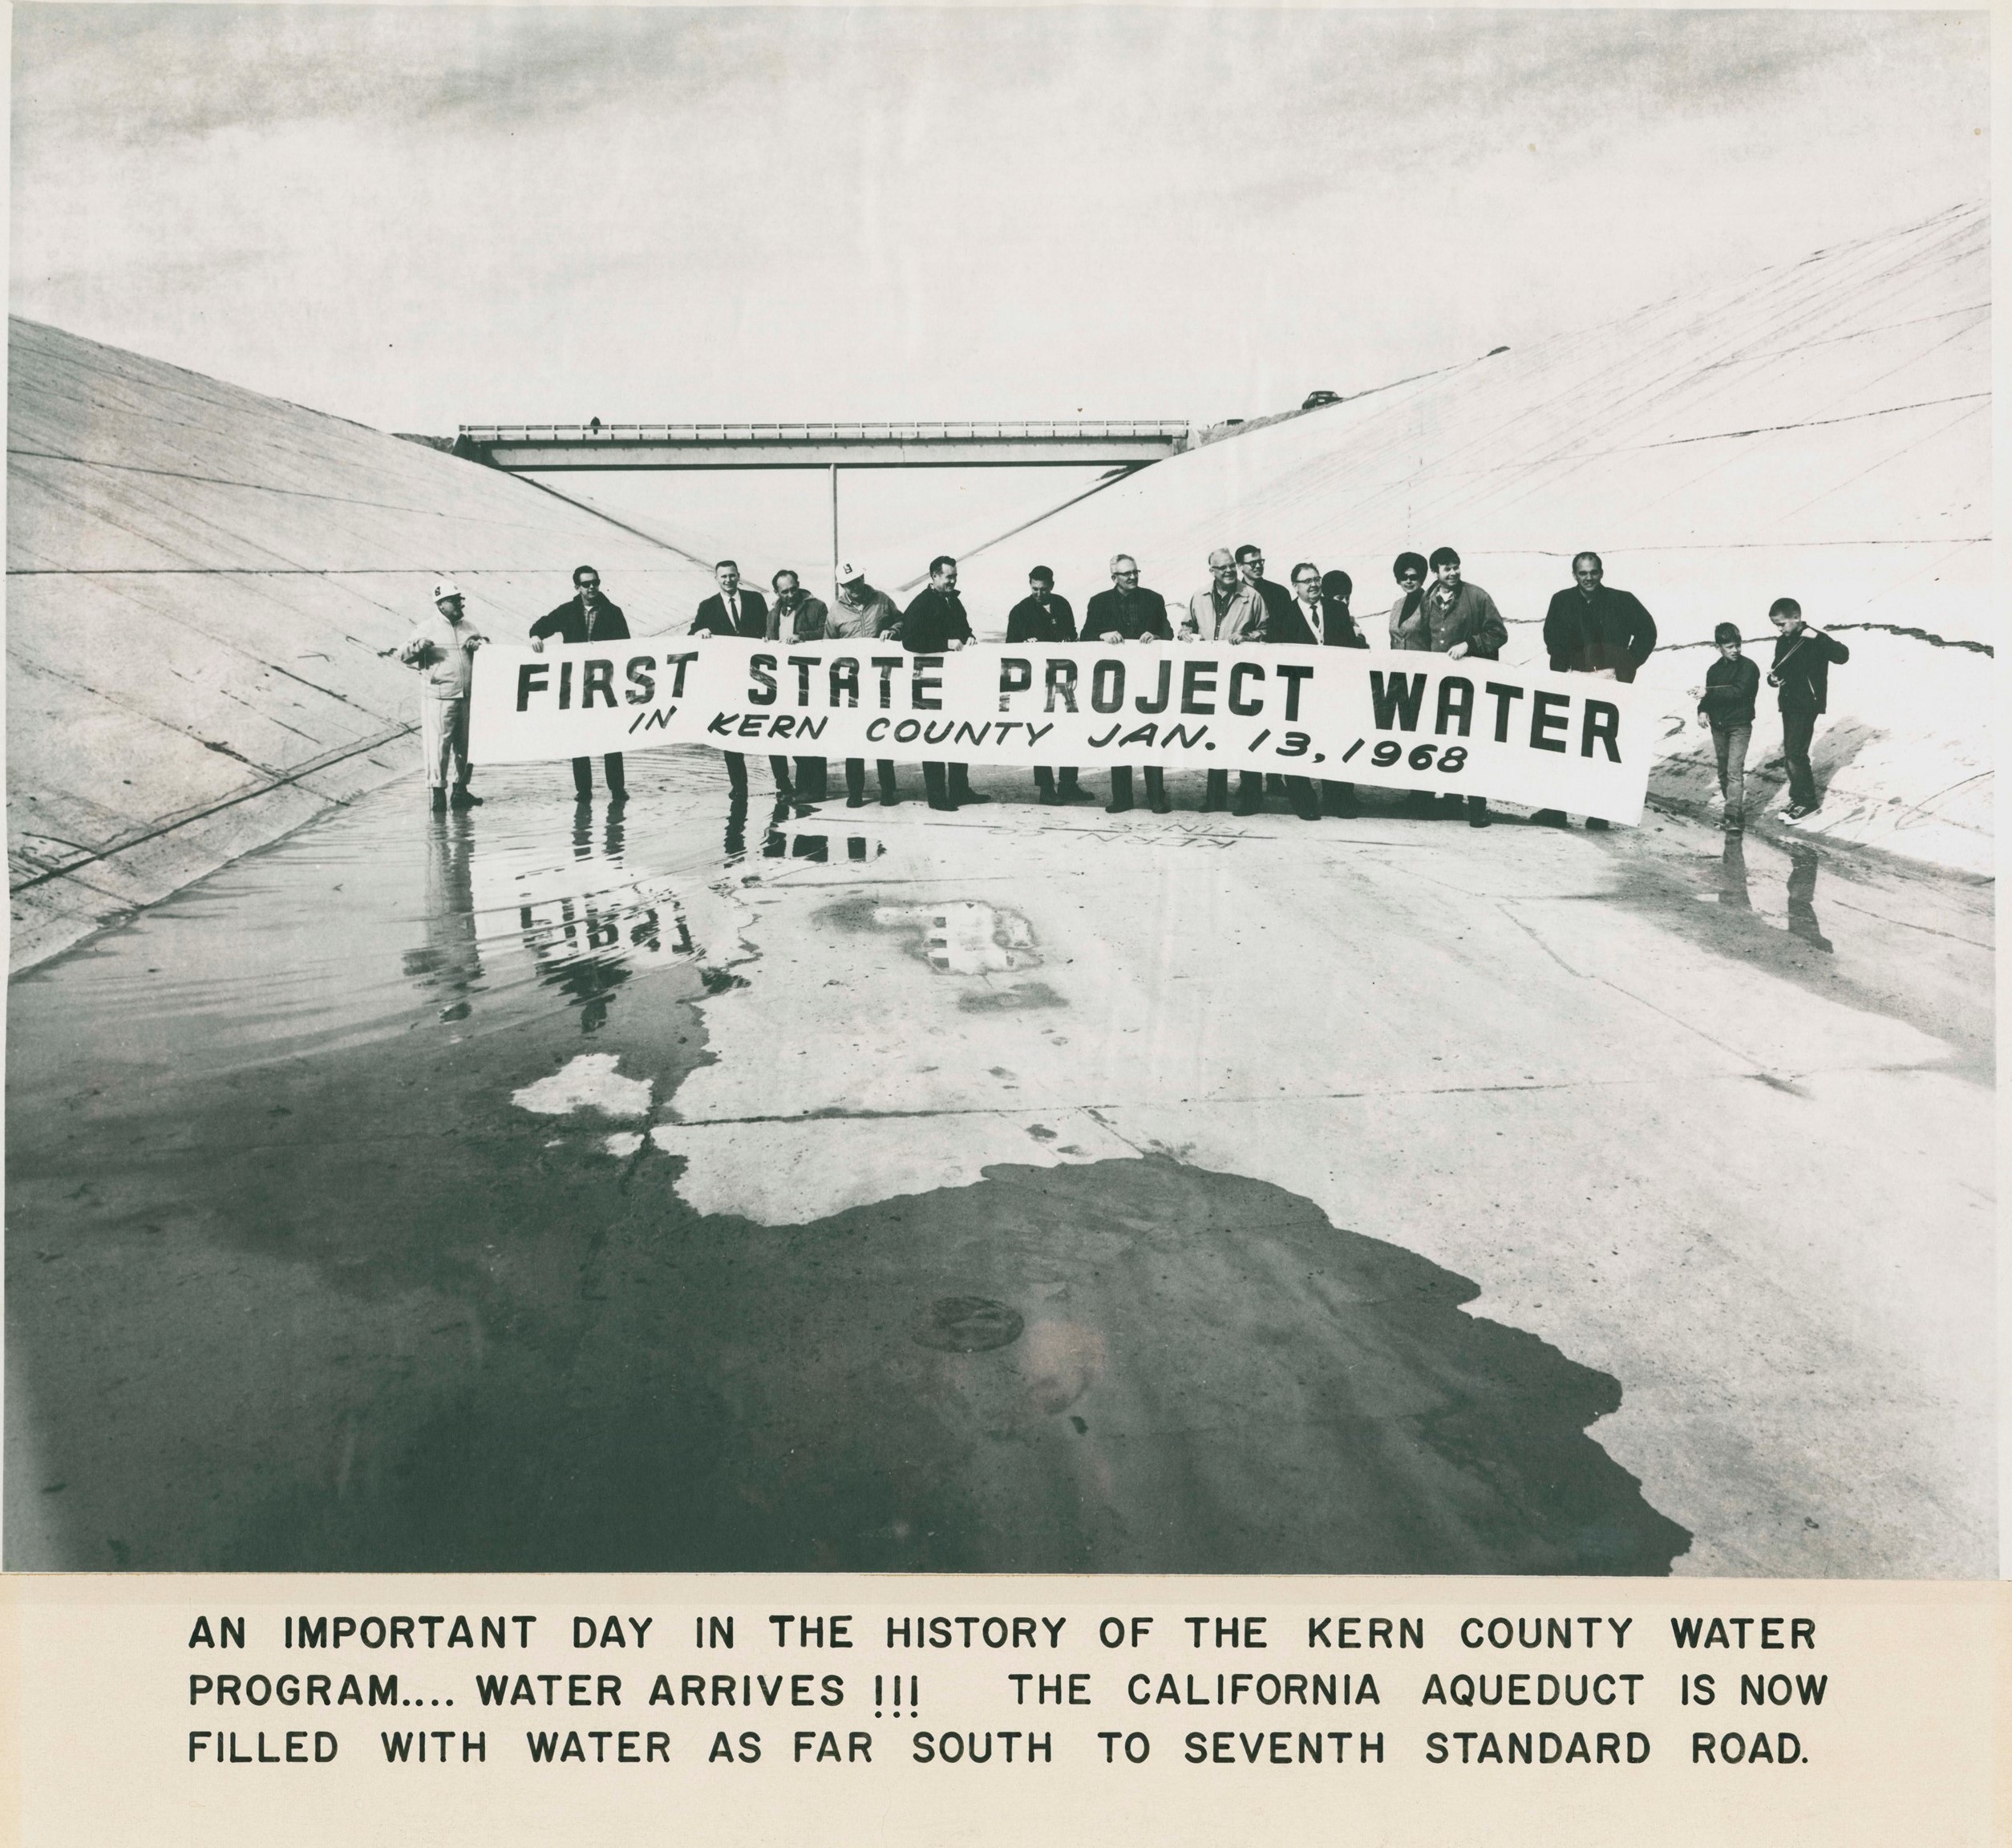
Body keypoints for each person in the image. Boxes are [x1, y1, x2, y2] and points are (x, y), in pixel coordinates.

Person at [1532, 552, 1658, 829]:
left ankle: (1599, 812)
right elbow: (1551, 636)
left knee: (1601, 747)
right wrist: (1563, 668)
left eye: (1593, 572)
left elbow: (1647, 632)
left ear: (1601, 572)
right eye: (1582, 573)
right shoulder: (1561, 600)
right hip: (1573, 679)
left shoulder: (1622, 600)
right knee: (1564, 744)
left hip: (1609, 681)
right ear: (1574, 575)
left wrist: (1625, 665)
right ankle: (1556, 810)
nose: (1588, 578)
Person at [1412, 548, 1506, 828]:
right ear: (1435, 572)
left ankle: (1478, 807)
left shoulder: (1477, 597)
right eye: (1447, 568)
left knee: (1472, 743)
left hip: (1470, 688)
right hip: (1440, 687)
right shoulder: (1427, 599)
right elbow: (1422, 637)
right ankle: (1452, 801)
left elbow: (1499, 633)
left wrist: (1470, 644)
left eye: (1456, 567)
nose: (1453, 573)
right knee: (1444, 742)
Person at [529, 563, 629, 804]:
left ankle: (617, 789)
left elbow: (626, 646)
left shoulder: (613, 612)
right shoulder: (567, 611)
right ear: (577, 587)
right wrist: (535, 636)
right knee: (578, 737)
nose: (592, 587)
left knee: (611, 738)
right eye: (586, 584)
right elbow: (541, 626)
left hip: (605, 686)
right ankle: (584, 791)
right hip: (576, 686)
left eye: (595, 582)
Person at [1084, 553, 1174, 814]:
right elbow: (1085, 635)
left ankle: (1156, 797)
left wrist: (1156, 636)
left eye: (1135, 572)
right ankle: (1122, 798)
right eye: (1127, 574)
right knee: (1118, 736)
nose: (1133, 577)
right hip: (1116, 684)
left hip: (1148, 680)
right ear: (1114, 577)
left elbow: (1168, 633)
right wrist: (1102, 635)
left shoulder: (1154, 599)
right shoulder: (1099, 602)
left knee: (1151, 736)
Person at [901, 556, 988, 812]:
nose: (953, 581)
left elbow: (963, 628)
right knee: (935, 737)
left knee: (959, 732)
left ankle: (960, 789)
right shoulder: (921, 603)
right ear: (934, 576)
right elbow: (910, 641)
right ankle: (937, 796)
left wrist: (969, 637)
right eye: (949, 576)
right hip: (930, 683)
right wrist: (944, 643)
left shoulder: (954, 600)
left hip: (955, 682)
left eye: (955, 576)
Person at [1184, 549, 1268, 811]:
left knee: (1246, 736)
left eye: (1232, 566)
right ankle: (1214, 799)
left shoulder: (1252, 597)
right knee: (1215, 737)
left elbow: (1267, 630)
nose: (1230, 571)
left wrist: (1247, 637)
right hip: (1211, 679)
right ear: (1212, 571)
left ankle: (1251, 800)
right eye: (1223, 568)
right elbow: (1187, 625)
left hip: (1243, 679)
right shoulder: (1199, 597)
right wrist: (1185, 633)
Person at [1005, 566, 1091, 804]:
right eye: (1035, 589)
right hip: (1038, 683)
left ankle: (1069, 784)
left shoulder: (1062, 604)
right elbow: (1010, 647)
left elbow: (1073, 634)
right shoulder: (1020, 611)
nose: (1039, 594)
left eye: (1043, 589)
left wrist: (1068, 640)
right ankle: (1046, 788)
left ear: (1051, 585)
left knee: (1070, 730)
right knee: (1041, 733)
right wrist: (1025, 645)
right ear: (1029, 585)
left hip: (1064, 681)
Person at [400, 578, 485, 811]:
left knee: (467, 748)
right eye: (454, 601)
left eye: (459, 600)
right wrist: (419, 646)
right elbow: (403, 655)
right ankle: (438, 796)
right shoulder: (426, 628)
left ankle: (461, 792)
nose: (459, 604)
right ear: (440, 604)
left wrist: (480, 644)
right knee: (439, 748)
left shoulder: (469, 628)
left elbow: (487, 649)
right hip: (438, 698)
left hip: (467, 697)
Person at [690, 560, 771, 796]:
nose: (728, 580)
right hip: (727, 680)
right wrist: (699, 632)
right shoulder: (707, 606)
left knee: (769, 727)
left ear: (739, 576)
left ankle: (783, 782)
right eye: (724, 576)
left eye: (732, 576)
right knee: (730, 731)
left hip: (757, 676)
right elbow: (692, 632)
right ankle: (739, 786)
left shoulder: (755, 600)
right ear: (716, 578)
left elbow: (769, 627)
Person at [1767, 597, 1849, 821]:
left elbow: (1842, 656)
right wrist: (1773, 679)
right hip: (1788, 702)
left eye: (1782, 624)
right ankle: (1798, 798)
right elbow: (1777, 667)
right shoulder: (1783, 641)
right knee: (1791, 753)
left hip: (1807, 703)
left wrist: (1820, 637)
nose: (1780, 629)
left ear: (1796, 618)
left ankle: (1808, 803)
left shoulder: (1814, 638)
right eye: (1776, 625)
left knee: (1796, 753)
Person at [828, 562, 902, 807]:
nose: (855, 586)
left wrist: (893, 630)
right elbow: (827, 646)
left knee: (883, 735)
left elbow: (903, 621)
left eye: (858, 580)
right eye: (849, 584)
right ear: (842, 585)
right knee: (853, 740)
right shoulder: (835, 611)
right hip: (852, 685)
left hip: (881, 682)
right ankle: (855, 792)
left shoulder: (882, 600)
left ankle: (888, 790)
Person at [767, 569, 831, 801]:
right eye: (784, 592)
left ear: (799, 585)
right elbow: (770, 638)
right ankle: (802, 788)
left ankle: (815, 789)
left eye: (793, 589)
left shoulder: (817, 606)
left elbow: (826, 633)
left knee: (811, 734)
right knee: (793, 735)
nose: (790, 595)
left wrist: (801, 637)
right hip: (785, 683)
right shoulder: (773, 612)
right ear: (777, 592)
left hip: (810, 680)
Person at [1695, 622, 1760, 835]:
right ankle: (1734, 812)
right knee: (1723, 772)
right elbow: (1709, 696)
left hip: (1740, 726)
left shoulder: (1749, 667)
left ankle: (1733, 817)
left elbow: (1739, 692)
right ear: (1718, 647)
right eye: (1730, 646)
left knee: (1734, 771)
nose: (1735, 650)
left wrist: (1708, 693)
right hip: (1718, 727)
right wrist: (1702, 710)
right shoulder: (1713, 670)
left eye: (1738, 645)